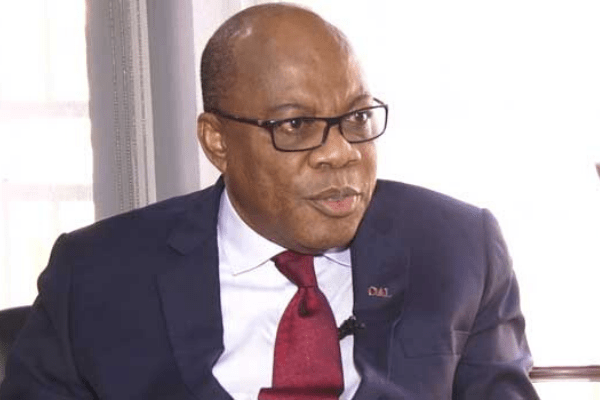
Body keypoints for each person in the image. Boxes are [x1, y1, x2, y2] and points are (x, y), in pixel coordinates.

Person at [0, 3, 539, 399]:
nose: (342, 153)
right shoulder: (96, 275)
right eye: (296, 125)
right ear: (217, 141)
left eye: (356, 118)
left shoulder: (459, 250)